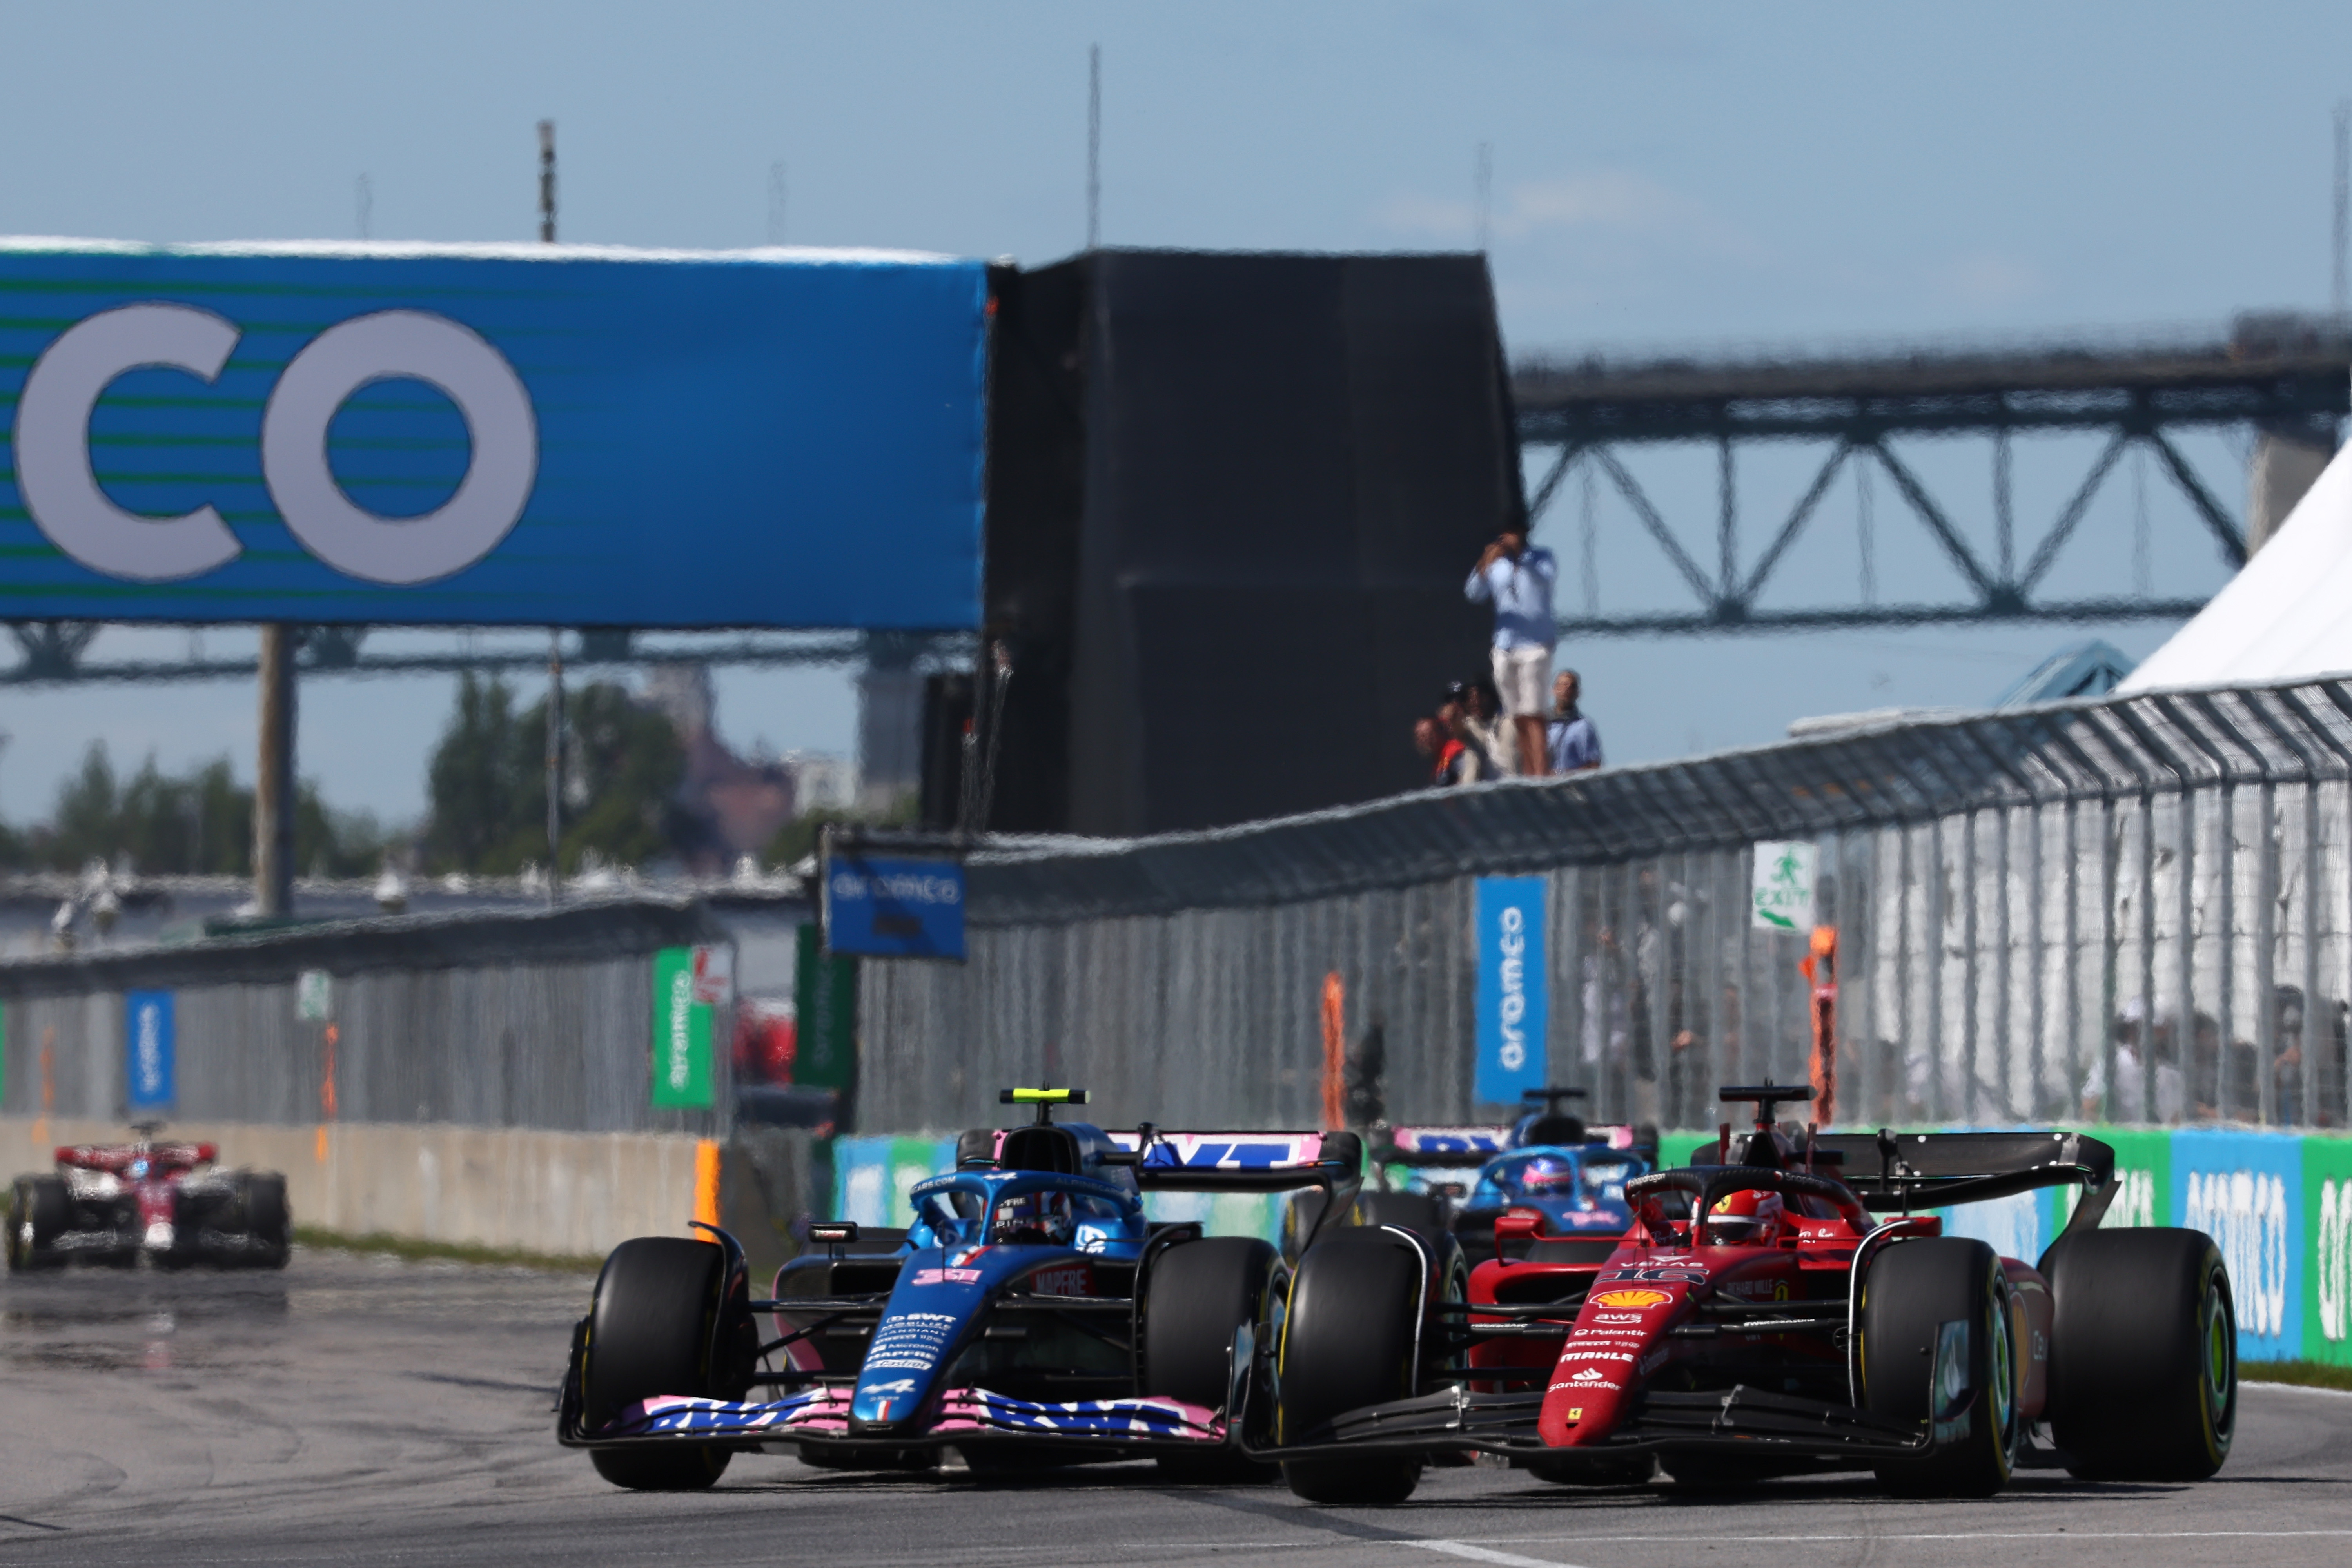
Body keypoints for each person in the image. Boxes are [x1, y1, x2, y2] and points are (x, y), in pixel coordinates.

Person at [1465, 526, 1557, 776]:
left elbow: (1544, 579)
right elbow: (1473, 593)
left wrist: (1520, 557)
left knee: (1534, 712)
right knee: (1517, 715)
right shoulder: (1497, 566)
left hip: (1535, 646)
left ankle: (1541, 772)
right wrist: (1486, 561)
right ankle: (1528, 769)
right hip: (1506, 646)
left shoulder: (1542, 559)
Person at [1449, 678, 1515, 778]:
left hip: (1511, 785)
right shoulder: (1469, 726)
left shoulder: (1509, 722)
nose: (1476, 702)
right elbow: (1459, 731)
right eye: (1470, 698)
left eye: (1481, 696)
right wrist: (1454, 716)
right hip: (1480, 789)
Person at [1547, 669, 1603, 774]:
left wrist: (1565, 776)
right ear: (1554, 690)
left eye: (1571, 687)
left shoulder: (1584, 727)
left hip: (1572, 787)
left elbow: (1594, 766)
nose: (1566, 689)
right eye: (1562, 685)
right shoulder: (1543, 726)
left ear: (1578, 693)